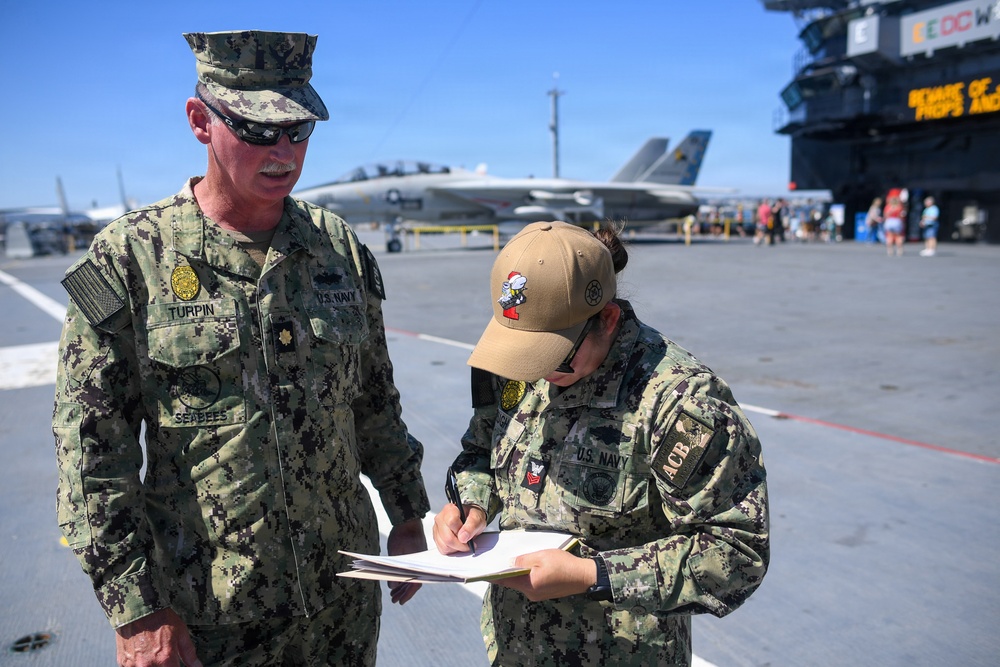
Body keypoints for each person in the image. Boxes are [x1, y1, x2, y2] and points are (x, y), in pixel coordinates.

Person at [53, 30, 429, 667]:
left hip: (341, 606)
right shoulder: (131, 258)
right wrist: (136, 607)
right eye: (258, 131)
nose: (283, 150)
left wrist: (407, 513)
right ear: (201, 120)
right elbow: (91, 449)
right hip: (208, 614)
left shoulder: (338, 249)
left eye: (300, 130)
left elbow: (373, 400)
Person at [432, 221, 769, 666]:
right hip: (515, 648)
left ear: (607, 320)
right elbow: (481, 453)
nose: (535, 372)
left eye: (552, 357)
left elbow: (736, 552)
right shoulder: (517, 359)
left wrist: (594, 575)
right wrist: (471, 506)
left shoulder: (679, 403)